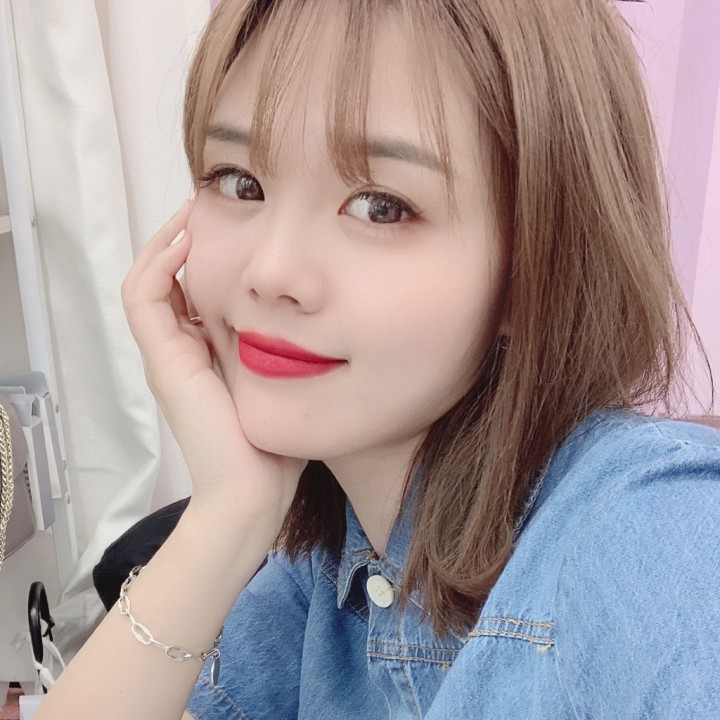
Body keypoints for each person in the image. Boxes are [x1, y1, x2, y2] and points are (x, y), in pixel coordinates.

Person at [37, 0, 720, 718]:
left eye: (380, 207)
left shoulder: (656, 535)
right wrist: (227, 515)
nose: (271, 271)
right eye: (240, 181)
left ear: (533, 268)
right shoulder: (323, 575)